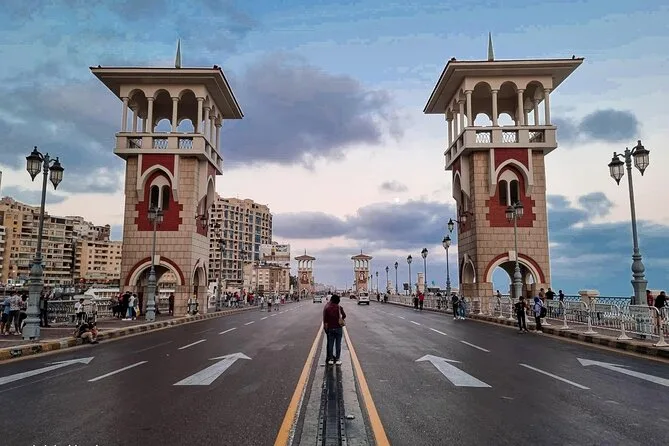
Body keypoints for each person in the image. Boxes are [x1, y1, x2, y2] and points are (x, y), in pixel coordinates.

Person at [323, 294, 346, 366]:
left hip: (330, 328)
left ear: (331, 300)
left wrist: (326, 329)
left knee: (330, 344)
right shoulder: (339, 307)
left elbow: (325, 321)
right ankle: (338, 359)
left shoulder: (327, 308)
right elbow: (344, 315)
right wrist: (341, 319)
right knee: (338, 344)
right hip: (338, 328)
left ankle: (331, 359)